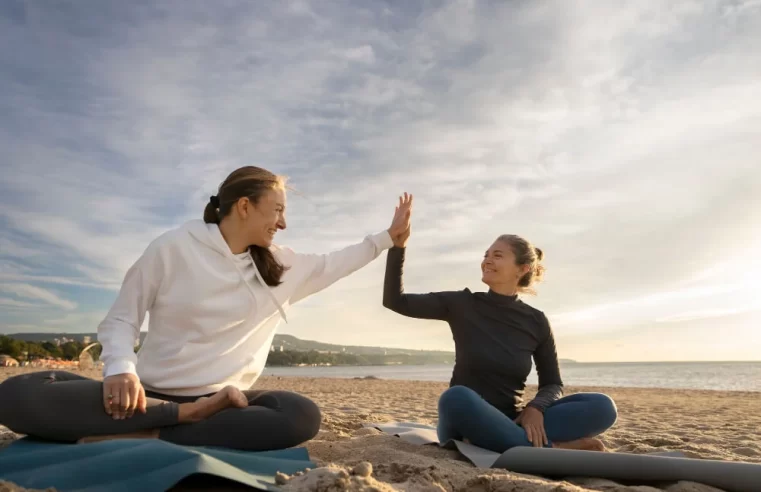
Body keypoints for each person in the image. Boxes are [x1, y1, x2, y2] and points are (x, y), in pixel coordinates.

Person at [0, 166, 411, 451]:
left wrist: (387, 238)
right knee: (16, 395)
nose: (283, 223)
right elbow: (123, 317)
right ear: (245, 206)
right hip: (148, 399)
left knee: (300, 414)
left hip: (224, 404)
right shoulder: (172, 247)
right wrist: (121, 369)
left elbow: (335, 262)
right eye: (279, 210)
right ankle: (174, 421)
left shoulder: (282, 266)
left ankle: (150, 434)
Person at [382, 194, 617, 453]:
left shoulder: (536, 321)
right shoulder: (461, 303)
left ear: (522, 269)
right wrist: (398, 247)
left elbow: (552, 383)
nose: (487, 260)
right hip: (464, 419)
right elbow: (395, 301)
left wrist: (535, 408)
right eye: (486, 255)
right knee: (455, 397)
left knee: (603, 406)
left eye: (497, 255)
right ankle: (552, 449)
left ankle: (514, 441)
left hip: (511, 420)